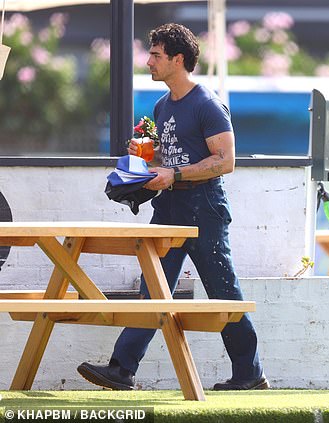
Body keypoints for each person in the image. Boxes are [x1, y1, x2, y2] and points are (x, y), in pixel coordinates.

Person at [77, 23, 268, 391]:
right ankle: (122, 369)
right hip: (170, 207)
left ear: (178, 59)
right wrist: (147, 157)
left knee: (222, 292)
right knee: (153, 286)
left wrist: (174, 174)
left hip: (204, 208)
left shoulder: (207, 104)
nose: (148, 61)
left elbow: (225, 161)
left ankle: (250, 374)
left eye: (156, 55)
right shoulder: (163, 105)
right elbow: (172, 157)